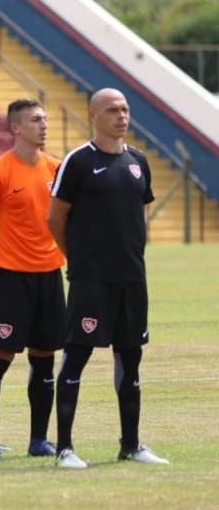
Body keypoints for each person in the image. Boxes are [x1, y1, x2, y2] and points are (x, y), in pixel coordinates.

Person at [47, 88, 168, 468]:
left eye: (126, 109)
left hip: (132, 279)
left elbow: (136, 215)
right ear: (94, 115)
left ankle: (130, 444)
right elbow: (55, 218)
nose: (122, 116)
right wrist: (78, 261)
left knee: (130, 358)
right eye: (113, 110)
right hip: (90, 281)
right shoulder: (78, 162)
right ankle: (64, 447)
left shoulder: (138, 161)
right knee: (77, 356)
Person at [0, 100, 63, 459]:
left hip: (49, 278)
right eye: (37, 120)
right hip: (11, 280)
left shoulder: (55, 168)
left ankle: (39, 440)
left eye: (45, 118)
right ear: (17, 128)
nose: (44, 125)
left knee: (44, 359)